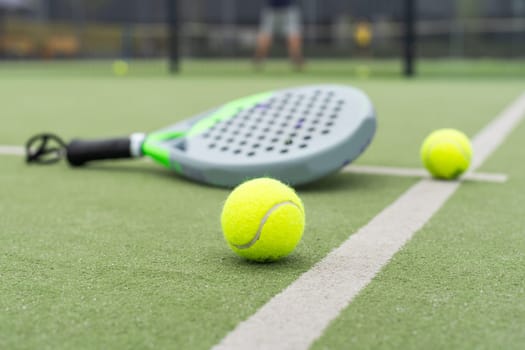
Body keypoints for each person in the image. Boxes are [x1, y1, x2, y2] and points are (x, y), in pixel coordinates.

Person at [254, 0, 304, 70]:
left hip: (287, 8)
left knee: (293, 36)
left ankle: (297, 61)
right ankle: (258, 61)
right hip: (272, 9)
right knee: (266, 36)